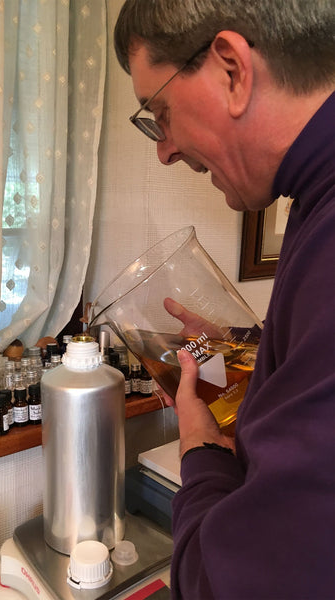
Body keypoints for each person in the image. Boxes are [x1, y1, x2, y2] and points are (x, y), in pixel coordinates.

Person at [114, 1, 335, 598]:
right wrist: (245, 350)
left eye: (158, 112)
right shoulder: (314, 202)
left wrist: (202, 451)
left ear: (232, 69)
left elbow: (229, 583)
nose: (163, 150)